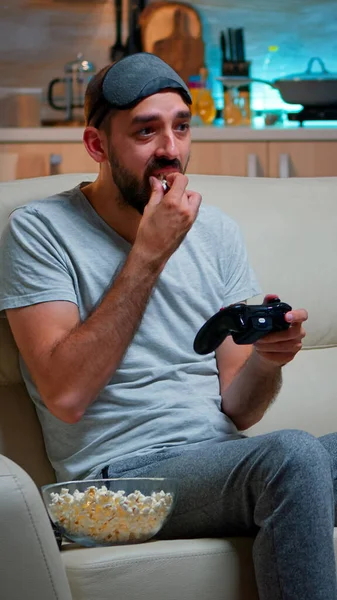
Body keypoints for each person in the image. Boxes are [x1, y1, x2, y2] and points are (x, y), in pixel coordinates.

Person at [0, 53, 336, 599]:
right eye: (145, 131)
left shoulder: (217, 231)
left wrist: (268, 363)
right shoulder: (40, 232)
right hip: (110, 487)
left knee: (295, 456)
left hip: (217, 463)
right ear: (97, 145)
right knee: (292, 455)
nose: (171, 150)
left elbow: (239, 407)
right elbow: (65, 394)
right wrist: (148, 254)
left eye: (181, 127)